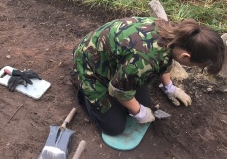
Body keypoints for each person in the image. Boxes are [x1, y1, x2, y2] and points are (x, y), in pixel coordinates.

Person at [70, 16, 225, 136]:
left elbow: (166, 60)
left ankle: (124, 89)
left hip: (116, 61)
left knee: (144, 104)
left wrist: (169, 87)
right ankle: (83, 91)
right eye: (196, 66)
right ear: (185, 56)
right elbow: (119, 90)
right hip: (90, 67)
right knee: (114, 127)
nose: (195, 68)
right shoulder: (145, 60)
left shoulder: (174, 36)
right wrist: (139, 112)